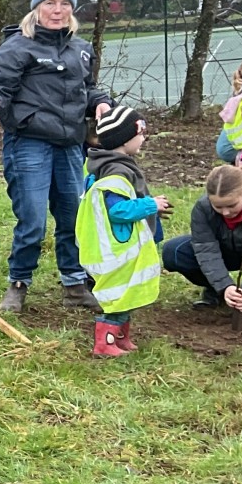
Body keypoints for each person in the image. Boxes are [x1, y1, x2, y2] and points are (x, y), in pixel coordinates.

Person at [0, 0, 112, 314]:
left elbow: (88, 90)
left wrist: (101, 105)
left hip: (69, 145)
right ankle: (18, 283)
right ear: (37, 7)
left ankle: (74, 283)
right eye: (50, 3)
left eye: (64, 4)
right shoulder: (17, 47)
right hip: (29, 144)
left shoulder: (80, 49)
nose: (57, 10)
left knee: (72, 219)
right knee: (33, 221)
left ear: (72, 9)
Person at [76, 106, 170, 357]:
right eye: (141, 133)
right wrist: (150, 205)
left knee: (128, 297)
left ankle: (121, 338)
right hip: (119, 251)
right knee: (118, 299)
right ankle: (104, 343)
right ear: (124, 139)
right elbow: (117, 211)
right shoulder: (117, 171)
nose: (144, 138)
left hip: (123, 249)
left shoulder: (112, 165)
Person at [161, 162, 242, 316]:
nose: (226, 212)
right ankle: (216, 292)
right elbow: (206, 250)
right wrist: (224, 286)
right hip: (223, 252)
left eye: (231, 205)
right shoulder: (203, 208)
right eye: (218, 207)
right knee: (173, 252)